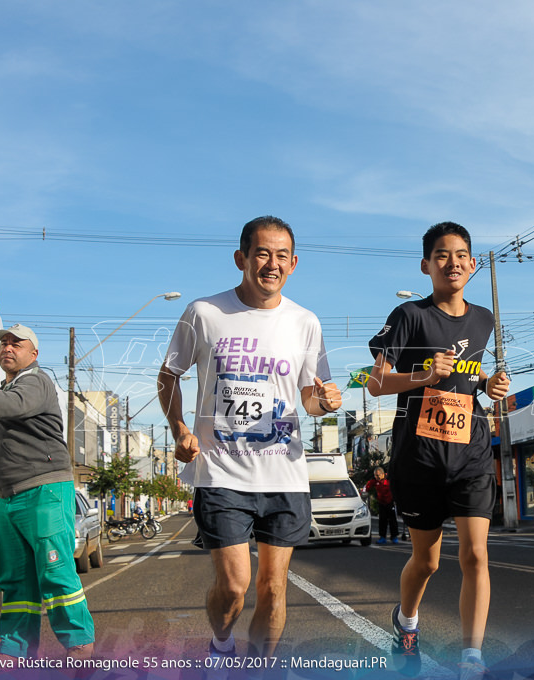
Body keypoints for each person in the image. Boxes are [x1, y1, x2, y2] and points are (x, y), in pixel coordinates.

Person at [157, 216, 342, 661]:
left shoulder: (305, 322)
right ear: (241, 258)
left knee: (274, 590)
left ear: (293, 264)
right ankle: (221, 645)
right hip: (221, 471)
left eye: (281, 256)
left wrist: (325, 402)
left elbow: (309, 400)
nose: (271, 264)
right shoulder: (204, 313)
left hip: (284, 472)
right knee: (236, 587)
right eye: (262, 253)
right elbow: (168, 376)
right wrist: (179, 429)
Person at [366, 221, 510, 680]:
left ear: (472, 263)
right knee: (427, 560)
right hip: (420, 455)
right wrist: (423, 377)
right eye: (442, 255)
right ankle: (406, 620)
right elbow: (374, 384)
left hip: (470, 451)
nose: (454, 262)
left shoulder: (484, 319)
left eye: (462, 254)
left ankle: (472, 657)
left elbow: (469, 378)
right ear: (427, 265)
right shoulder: (409, 316)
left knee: (475, 556)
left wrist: (490, 384)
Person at [0, 324, 95, 660]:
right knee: (14, 581)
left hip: (44, 489)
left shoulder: (35, 382)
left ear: (34, 354)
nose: (8, 348)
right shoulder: (9, 389)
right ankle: (15, 649)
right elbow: (9, 416)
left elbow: (13, 406)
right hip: (8, 495)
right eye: (4, 344)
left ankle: (80, 645)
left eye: (17, 343)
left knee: (55, 571)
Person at [365, 466, 399, 544]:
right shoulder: (374, 481)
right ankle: (382, 537)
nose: (376, 477)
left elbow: (396, 486)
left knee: (392, 520)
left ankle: (394, 537)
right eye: (375, 475)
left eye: (378, 475)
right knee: (382, 521)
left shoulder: (389, 479)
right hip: (381, 503)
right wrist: (364, 493)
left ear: (383, 474)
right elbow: (367, 487)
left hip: (390, 502)